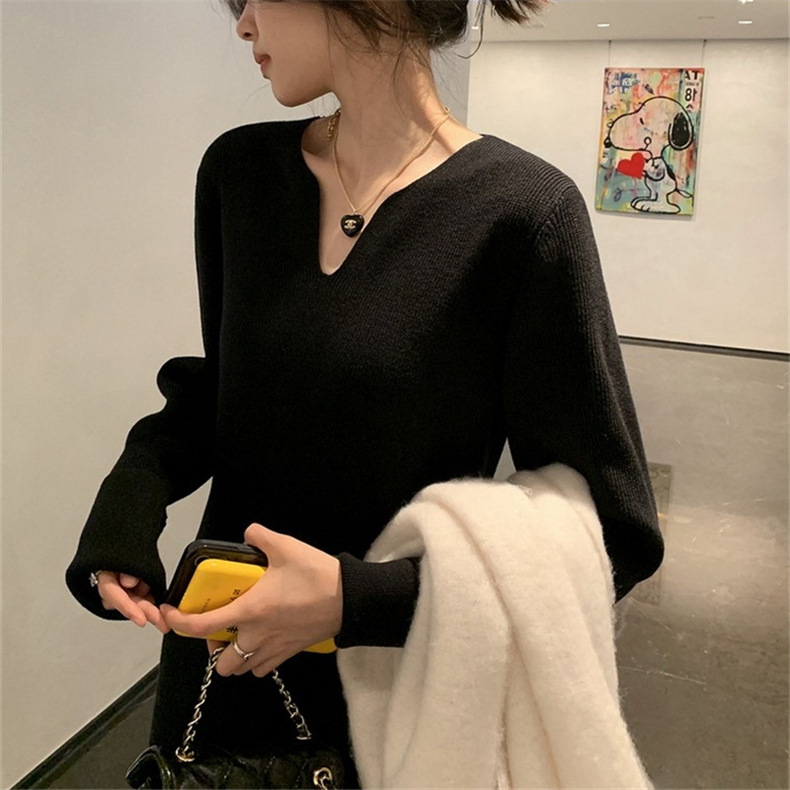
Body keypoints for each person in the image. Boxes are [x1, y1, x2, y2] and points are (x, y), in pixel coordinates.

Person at [66, 0, 665, 786]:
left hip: (399, 701)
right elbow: (232, 387)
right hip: (219, 670)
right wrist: (129, 499)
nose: (241, 24)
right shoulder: (241, 174)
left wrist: (355, 601)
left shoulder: (523, 215)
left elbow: (614, 535)